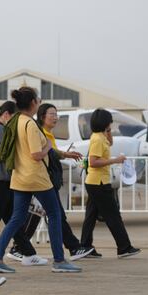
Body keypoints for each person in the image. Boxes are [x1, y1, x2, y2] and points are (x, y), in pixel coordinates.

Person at [0, 87, 81, 274]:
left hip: (19, 177)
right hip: (36, 177)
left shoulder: (15, 121)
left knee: (16, 218)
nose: (39, 102)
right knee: (54, 215)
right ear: (32, 103)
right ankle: (59, 260)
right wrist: (47, 146)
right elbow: (36, 154)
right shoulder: (29, 124)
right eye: (38, 100)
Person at [8, 104, 95, 261]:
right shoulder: (40, 132)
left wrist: (65, 154)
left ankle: (19, 247)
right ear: (42, 116)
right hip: (42, 180)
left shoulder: (47, 134)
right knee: (52, 214)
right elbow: (42, 154)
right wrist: (63, 154)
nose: (55, 117)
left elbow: (51, 153)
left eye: (56, 114)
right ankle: (70, 250)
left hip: (45, 180)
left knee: (38, 213)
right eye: (52, 114)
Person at [0, 101, 47, 266]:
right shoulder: (0, 129)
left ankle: (28, 253)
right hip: (0, 179)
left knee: (12, 218)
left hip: (0, 179)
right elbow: (4, 153)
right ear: (7, 115)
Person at [80, 109, 141, 258]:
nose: (111, 124)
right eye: (109, 122)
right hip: (98, 183)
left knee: (91, 216)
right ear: (104, 122)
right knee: (113, 215)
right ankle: (124, 247)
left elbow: (111, 142)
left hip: (97, 182)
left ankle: (85, 247)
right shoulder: (97, 139)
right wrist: (115, 160)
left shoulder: (101, 136)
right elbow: (93, 162)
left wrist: (108, 131)